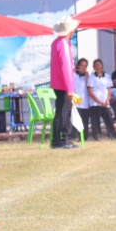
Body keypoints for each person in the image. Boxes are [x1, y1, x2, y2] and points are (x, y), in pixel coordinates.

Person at [50, 15, 79, 149]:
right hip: (63, 85)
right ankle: (59, 140)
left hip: (58, 83)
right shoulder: (63, 45)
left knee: (63, 112)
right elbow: (66, 68)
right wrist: (69, 89)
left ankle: (64, 139)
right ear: (70, 30)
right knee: (64, 113)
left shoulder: (56, 43)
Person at [87, 59, 116, 140]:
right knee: (95, 121)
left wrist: (107, 100)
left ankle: (113, 136)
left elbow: (109, 90)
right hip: (95, 103)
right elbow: (90, 92)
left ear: (102, 66)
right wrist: (100, 102)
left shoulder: (107, 76)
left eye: (99, 65)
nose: (97, 67)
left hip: (105, 103)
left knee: (109, 120)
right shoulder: (91, 77)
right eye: (95, 65)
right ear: (93, 67)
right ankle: (97, 137)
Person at [73, 58, 91, 138]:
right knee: (74, 121)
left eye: (85, 66)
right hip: (75, 102)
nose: (83, 68)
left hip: (85, 103)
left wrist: (87, 77)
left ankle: (84, 137)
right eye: (81, 65)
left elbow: (89, 87)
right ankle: (74, 136)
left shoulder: (87, 77)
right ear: (77, 66)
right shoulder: (73, 75)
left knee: (84, 121)